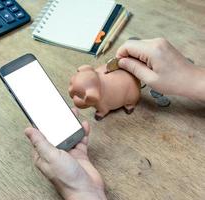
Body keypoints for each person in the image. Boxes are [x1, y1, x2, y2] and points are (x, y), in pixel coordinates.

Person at [24, 38, 205, 200]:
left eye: (78, 93)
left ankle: (128, 104)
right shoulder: (92, 81)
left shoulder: (97, 95)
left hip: (127, 92)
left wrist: (79, 192)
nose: (71, 93)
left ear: (92, 95)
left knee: (125, 98)